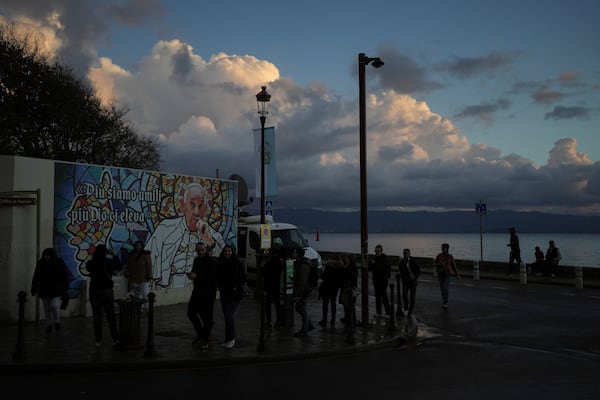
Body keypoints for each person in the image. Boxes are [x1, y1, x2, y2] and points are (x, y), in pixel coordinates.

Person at [147, 182, 226, 288]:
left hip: (199, 286)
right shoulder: (165, 229)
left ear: (206, 208)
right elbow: (149, 258)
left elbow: (225, 259)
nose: (197, 212)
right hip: (168, 287)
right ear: (183, 206)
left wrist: (209, 241)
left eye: (201, 206)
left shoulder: (212, 235)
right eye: (192, 205)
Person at [86, 244, 122, 347]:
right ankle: (115, 339)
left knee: (97, 316)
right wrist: (113, 255)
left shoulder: (92, 262)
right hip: (107, 290)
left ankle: (98, 341)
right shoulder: (108, 260)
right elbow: (119, 266)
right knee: (111, 316)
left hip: (94, 291)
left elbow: (88, 268)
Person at [186, 242, 217, 349]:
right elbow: (195, 272)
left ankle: (204, 338)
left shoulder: (211, 262)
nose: (200, 252)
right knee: (191, 313)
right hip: (197, 291)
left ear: (205, 250)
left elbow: (211, 277)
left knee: (207, 316)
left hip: (208, 292)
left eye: (202, 250)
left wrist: (197, 276)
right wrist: (191, 275)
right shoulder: (196, 260)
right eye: (198, 250)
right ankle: (201, 334)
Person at [30, 248, 70, 333]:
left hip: (56, 289)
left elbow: (64, 275)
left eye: (48, 254)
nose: (46, 256)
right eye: (44, 254)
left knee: (53, 305)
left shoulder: (59, 262)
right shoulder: (40, 263)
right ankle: (49, 324)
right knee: (46, 308)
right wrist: (33, 287)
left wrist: (66, 287)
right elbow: (36, 275)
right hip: (44, 288)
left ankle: (57, 320)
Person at [216, 245, 246, 349]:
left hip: (234, 294)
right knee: (226, 317)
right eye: (225, 251)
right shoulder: (220, 263)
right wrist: (219, 286)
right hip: (224, 294)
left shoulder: (238, 264)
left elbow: (243, 279)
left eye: (229, 251)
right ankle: (227, 339)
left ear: (232, 252)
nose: (227, 253)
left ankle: (232, 339)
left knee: (229, 315)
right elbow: (218, 277)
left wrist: (236, 286)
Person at [262, 239, 285, 329]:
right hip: (278, 286)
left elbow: (263, 273)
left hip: (269, 286)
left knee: (268, 305)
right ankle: (279, 320)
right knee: (277, 305)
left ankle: (268, 321)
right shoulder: (280, 262)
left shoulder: (268, 262)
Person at [292, 246, 314, 337]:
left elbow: (302, 282)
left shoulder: (302, 265)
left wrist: (298, 295)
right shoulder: (299, 263)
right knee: (300, 308)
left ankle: (304, 330)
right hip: (304, 290)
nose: (293, 254)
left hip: (304, 291)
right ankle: (309, 325)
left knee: (302, 309)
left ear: (298, 254)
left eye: (294, 252)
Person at [318, 256, 344, 326]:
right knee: (333, 303)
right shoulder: (341, 267)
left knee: (325, 303)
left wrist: (321, 274)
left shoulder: (329, 266)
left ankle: (324, 319)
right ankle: (333, 319)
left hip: (326, 286)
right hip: (335, 288)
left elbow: (324, 276)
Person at [434, 243, 460, 310]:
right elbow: (435, 264)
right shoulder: (439, 256)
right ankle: (444, 300)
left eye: (444, 248)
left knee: (445, 288)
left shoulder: (450, 256)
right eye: (442, 248)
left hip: (448, 274)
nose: (443, 249)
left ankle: (445, 303)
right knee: (442, 289)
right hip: (440, 274)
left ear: (447, 249)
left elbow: (454, 266)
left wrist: (457, 274)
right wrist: (439, 264)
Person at [398, 248, 421, 318]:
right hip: (405, 282)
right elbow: (401, 270)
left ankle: (410, 312)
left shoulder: (413, 261)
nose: (405, 254)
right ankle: (406, 303)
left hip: (413, 282)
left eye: (407, 253)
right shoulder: (402, 262)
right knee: (404, 295)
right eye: (404, 253)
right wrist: (403, 277)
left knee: (412, 299)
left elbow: (418, 270)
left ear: (409, 254)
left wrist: (415, 277)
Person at [369, 244, 391, 316]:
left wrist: (374, 264)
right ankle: (378, 312)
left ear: (381, 251)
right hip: (376, 280)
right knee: (377, 297)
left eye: (378, 251)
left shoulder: (384, 258)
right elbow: (370, 269)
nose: (376, 252)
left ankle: (388, 311)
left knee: (384, 296)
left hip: (383, 280)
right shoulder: (374, 258)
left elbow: (383, 267)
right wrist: (370, 263)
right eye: (375, 251)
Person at [339, 254, 359, 328]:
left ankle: (352, 320)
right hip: (346, 287)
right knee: (346, 304)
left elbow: (348, 276)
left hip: (349, 288)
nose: (345, 259)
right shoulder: (348, 266)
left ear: (350, 259)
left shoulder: (352, 267)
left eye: (347, 258)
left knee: (350, 305)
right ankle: (347, 318)